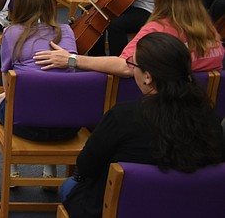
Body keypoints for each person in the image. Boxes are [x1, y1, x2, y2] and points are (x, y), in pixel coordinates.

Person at [59, 32, 224, 218]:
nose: (131, 67)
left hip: (121, 209)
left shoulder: (122, 116)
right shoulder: (210, 118)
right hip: (191, 208)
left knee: (69, 185)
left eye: (133, 64)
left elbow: (86, 165)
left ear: (148, 77)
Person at [35, 0, 225, 74]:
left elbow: (126, 67)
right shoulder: (210, 29)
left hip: (160, 111)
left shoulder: (158, 29)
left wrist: (72, 59)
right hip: (201, 112)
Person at [0, 0, 79, 182]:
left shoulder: (11, 32)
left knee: (2, 98)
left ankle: (12, 168)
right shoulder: (66, 30)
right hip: (68, 126)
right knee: (55, 94)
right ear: (49, 6)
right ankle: (50, 170)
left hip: (26, 124)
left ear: (19, 5)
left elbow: (7, 78)